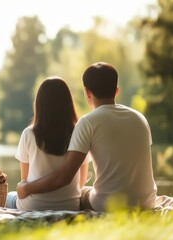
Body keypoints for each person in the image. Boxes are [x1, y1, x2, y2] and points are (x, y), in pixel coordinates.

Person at [17, 62, 158, 212]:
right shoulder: (140, 119)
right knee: (82, 190)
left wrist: (26, 189)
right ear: (116, 91)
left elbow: (64, 178)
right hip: (147, 202)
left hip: (108, 205)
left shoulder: (88, 122)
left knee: (83, 193)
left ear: (87, 92)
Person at [5, 76, 90, 211]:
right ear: (68, 103)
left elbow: (25, 180)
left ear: (39, 104)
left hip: (34, 206)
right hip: (70, 206)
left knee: (9, 197)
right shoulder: (79, 133)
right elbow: (81, 182)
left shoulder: (28, 133)